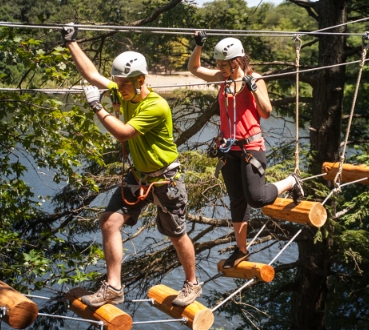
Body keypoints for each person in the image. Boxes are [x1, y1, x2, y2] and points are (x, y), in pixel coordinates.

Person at [61, 24, 201, 307]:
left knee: (176, 234)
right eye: (118, 83)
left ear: (141, 80)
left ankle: (192, 284)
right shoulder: (122, 90)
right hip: (139, 176)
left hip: (165, 179)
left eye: (124, 84)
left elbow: (123, 133)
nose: (119, 88)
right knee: (110, 222)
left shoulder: (156, 105)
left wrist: (97, 107)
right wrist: (70, 42)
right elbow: (92, 74)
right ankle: (113, 287)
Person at [187, 31, 304, 269]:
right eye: (218, 64)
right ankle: (241, 250)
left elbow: (266, 112)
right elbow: (194, 68)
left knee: (257, 198)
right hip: (229, 148)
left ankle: (291, 181)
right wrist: (198, 45)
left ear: (237, 60)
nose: (220, 68)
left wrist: (253, 88)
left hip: (251, 147)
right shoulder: (222, 78)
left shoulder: (255, 79)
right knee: (237, 201)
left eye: (224, 64)